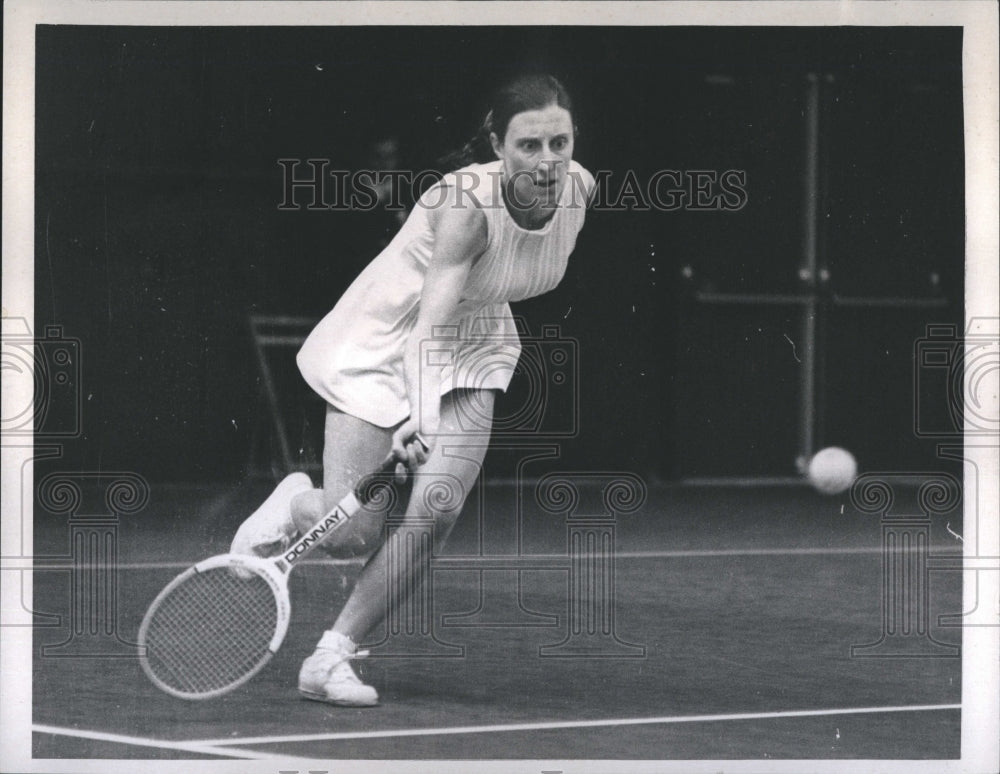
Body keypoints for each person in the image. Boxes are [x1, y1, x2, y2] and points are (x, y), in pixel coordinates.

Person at [231, 74, 594, 706]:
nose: (547, 161)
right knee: (354, 534)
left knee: (440, 507)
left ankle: (329, 657)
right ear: (496, 146)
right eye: (529, 145)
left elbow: (492, 289)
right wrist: (422, 415)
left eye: (559, 142)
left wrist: (431, 416)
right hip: (387, 338)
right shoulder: (464, 206)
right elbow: (425, 324)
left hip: (476, 338)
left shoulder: (580, 191)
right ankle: (297, 504)